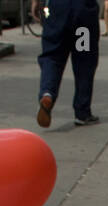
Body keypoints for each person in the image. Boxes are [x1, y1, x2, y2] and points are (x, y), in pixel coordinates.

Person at [35, 0, 101, 128]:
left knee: (52, 55)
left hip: (56, 9)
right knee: (84, 60)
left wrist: (36, 3)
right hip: (83, 12)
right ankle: (82, 112)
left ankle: (47, 93)